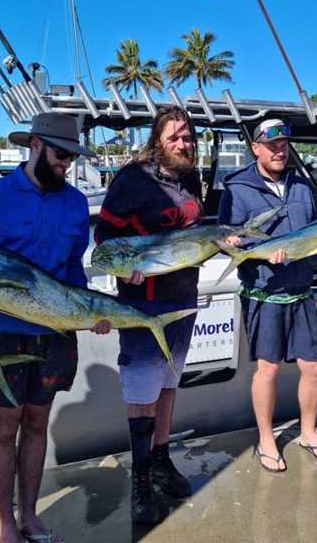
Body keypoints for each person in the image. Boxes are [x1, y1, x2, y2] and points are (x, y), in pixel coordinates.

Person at [0, 113, 111, 543]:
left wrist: (90, 312)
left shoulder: (77, 203)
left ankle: (29, 515)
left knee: (38, 421)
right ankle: (4, 524)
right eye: (62, 154)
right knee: (4, 425)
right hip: (0, 326)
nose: (67, 164)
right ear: (34, 145)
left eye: (72, 157)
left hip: (55, 329)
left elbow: (73, 272)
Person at [219, 119, 317, 473]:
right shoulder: (237, 188)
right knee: (268, 370)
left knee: (315, 367)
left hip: (300, 289)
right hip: (265, 292)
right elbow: (228, 237)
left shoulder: (300, 186)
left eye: (283, 145)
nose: (279, 150)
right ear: (256, 148)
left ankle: (309, 432)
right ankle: (266, 438)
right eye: (272, 145)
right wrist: (253, 249)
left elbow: (314, 231)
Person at [95, 107, 203, 524]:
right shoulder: (132, 179)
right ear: (157, 140)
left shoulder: (191, 177)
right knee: (142, 394)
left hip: (183, 299)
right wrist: (128, 267)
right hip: (143, 305)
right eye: (175, 137)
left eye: (188, 137)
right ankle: (140, 477)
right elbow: (104, 240)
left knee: (169, 384)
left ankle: (161, 459)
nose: (183, 143)